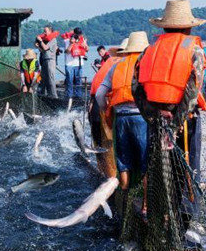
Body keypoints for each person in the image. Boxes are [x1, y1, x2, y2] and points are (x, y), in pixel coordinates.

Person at [134, 0, 206, 181]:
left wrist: (153, 114)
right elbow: (192, 93)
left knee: (161, 170)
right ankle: (189, 207)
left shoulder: (148, 50)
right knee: (188, 169)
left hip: (155, 119)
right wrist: (174, 124)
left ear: (164, 27)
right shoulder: (194, 50)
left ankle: (162, 208)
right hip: (183, 120)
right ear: (188, 28)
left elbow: (135, 88)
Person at [96, 31, 150, 215]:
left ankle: (125, 201)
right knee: (145, 161)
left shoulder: (116, 67)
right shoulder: (146, 64)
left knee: (123, 160)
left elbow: (99, 95)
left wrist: (107, 111)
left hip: (120, 118)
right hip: (141, 117)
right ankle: (145, 206)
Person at [88, 38, 127, 178]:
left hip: (94, 104)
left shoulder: (109, 62)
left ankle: (103, 173)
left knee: (99, 145)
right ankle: (112, 178)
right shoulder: (121, 65)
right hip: (104, 106)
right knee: (111, 145)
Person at [64, 27, 89, 99]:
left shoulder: (82, 40)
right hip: (69, 64)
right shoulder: (67, 40)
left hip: (79, 63)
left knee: (79, 81)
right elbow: (67, 52)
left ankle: (79, 96)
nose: (79, 36)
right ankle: (69, 97)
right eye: (77, 34)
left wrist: (85, 44)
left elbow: (87, 50)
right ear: (74, 34)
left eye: (80, 34)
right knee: (69, 81)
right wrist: (71, 43)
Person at [35, 25, 59, 98]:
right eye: (44, 31)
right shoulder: (47, 40)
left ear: (50, 31)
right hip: (45, 60)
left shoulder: (53, 40)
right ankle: (45, 94)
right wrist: (38, 46)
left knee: (51, 79)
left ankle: (54, 96)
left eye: (46, 31)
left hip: (50, 60)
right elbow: (42, 51)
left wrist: (41, 41)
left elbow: (45, 48)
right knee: (44, 78)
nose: (44, 33)